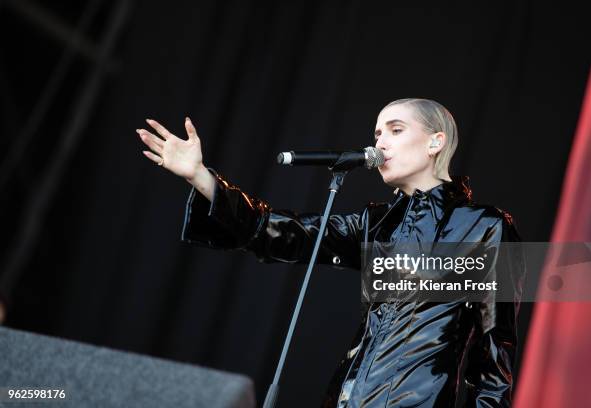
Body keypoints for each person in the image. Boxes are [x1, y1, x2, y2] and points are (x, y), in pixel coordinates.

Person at [137, 98, 525, 407]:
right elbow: (284, 232)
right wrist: (201, 177)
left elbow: (494, 354)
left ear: (435, 142)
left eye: (395, 129)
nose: (380, 143)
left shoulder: (485, 227)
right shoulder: (376, 224)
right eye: (377, 133)